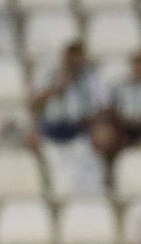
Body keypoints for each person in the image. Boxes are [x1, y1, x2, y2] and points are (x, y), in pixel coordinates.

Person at [30, 41, 108, 197]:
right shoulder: (50, 75)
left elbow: (103, 107)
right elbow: (35, 104)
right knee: (57, 182)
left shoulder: (92, 79)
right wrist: (56, 89)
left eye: (78, 56)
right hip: (52, 131)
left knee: (85, 181)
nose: (74, 61)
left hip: (80, 131)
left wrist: (95, 125)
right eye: (71, 56)